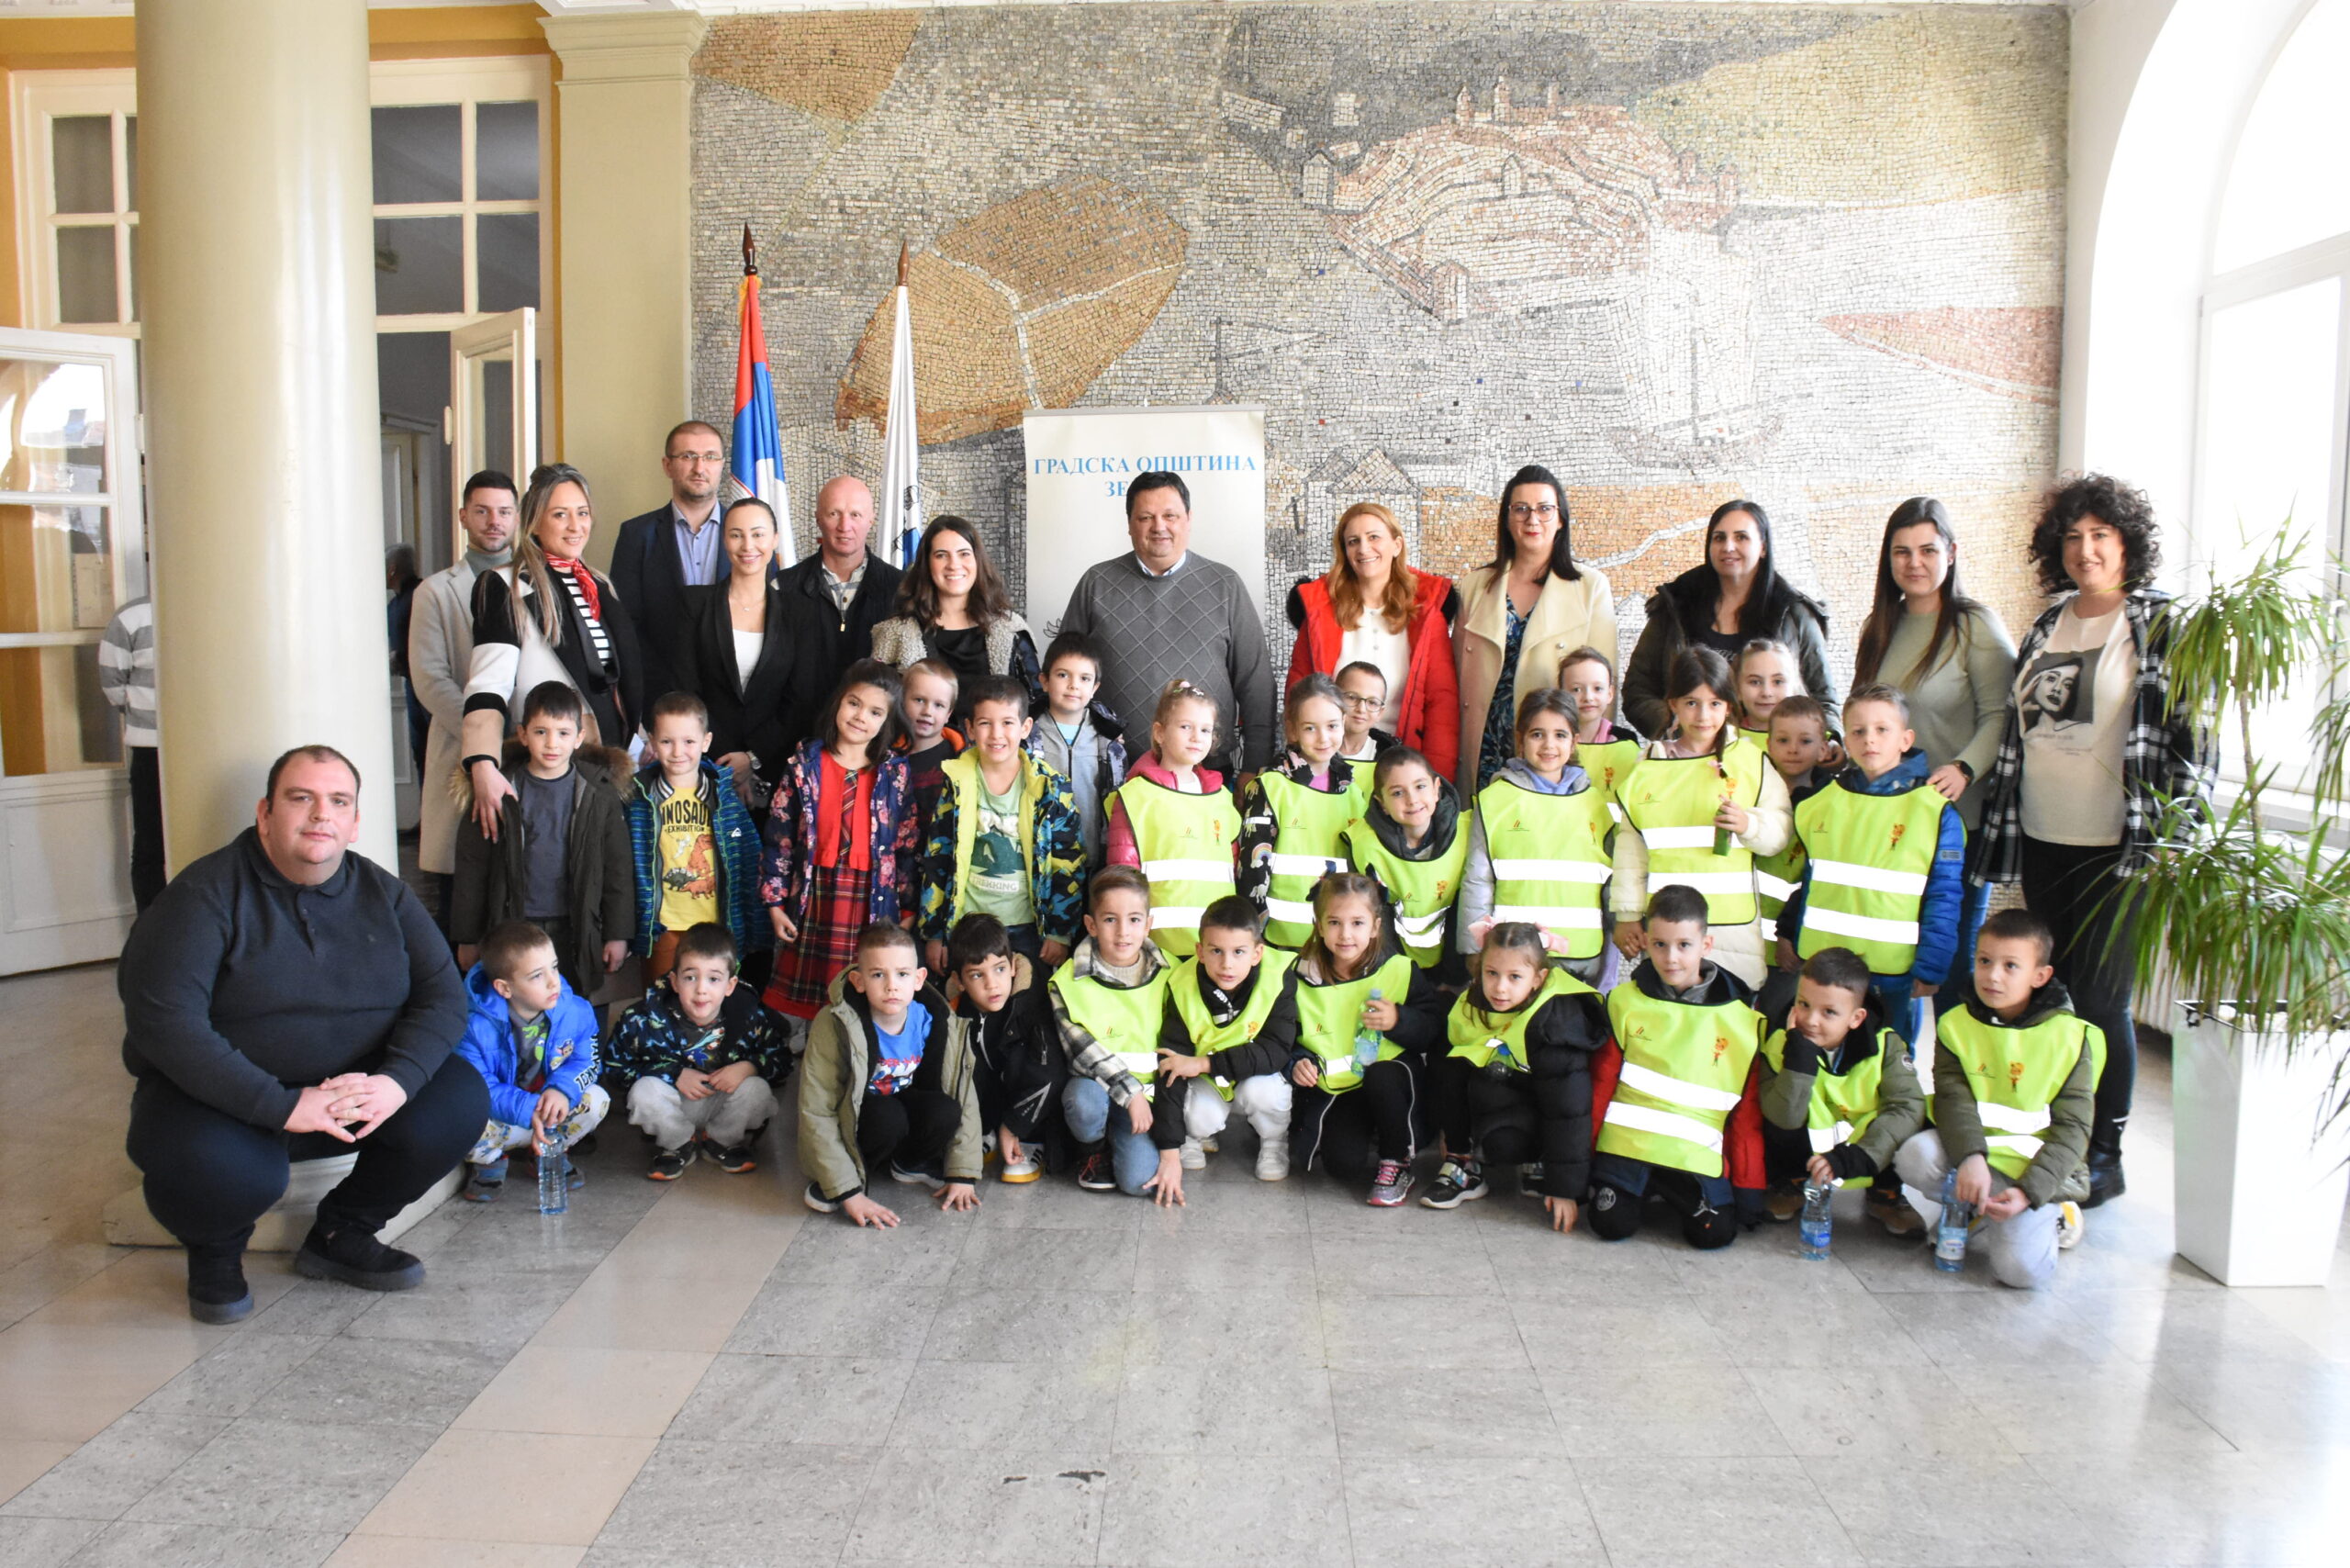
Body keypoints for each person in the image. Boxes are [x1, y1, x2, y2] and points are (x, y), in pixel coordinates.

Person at [119, 746, 484, 1324]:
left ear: (355, 823)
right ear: (265, 813)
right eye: (301, 798)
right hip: (219, 1104)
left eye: (338, 802)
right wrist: (283, 1105)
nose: (321, 815)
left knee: (458, 1098)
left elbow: (442, 997)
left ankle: (342, 1233)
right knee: (233, 1172)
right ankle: (215, 1254)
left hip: (347, 1097)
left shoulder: (385, 894)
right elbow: (167, 1025)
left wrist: (394, 1082)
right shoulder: (201, 896)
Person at [1968, 475, 2210, 1208]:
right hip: (2045, 834)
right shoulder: (2049, 622)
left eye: (2101, 535)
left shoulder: (2161, 624)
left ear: (2127, 542)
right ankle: (2062, 1141)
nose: (2086, 550)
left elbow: (2193, 740)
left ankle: (2106, 1153)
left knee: (2103, 1003)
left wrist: (2175, 837)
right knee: (2058, 994)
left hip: (2120, 846)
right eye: (2073, 537)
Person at [1851, 497, 2020, 986]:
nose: (1914, 563)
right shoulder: (1881, 627)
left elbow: (2003, 715)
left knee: (1950, 962)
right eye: (1901, 552)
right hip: (1891, 821)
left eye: (1927, 550)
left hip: (1956, 823)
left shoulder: (1975, 625)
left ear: (1951, 552)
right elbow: (1869, 712)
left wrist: (1965, 768)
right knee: (1893, 957)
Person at [1895, 910, 2098, 1287]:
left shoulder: (2072, 1037)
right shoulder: (1956, 1023)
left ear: (2040, 976)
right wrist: (1969, 1158)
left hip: (2033, 1168)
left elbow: (2074, 1128)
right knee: (1914, 1157)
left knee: (2020, 1274)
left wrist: (2029, 1192)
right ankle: (1977, 1208)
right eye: (1984, 961)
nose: (1992, 976)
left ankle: (2060, 1212)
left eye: (2010, 966)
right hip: (1980, 1154)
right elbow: (1953, 1100)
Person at [462, 464, 643, 835]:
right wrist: (482, 762)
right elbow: (488, 685)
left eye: (583, 513)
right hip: (549, 768)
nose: (576, 526)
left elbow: (616, 681)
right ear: (533, 522)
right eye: (560, 514)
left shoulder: (599, 584)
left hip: (609, 767)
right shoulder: (506, 585)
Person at [1778, 685, 1964, 1047]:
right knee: (1816, 1057)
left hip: (1893, 975)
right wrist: (1788, 932)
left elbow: (1944, 897)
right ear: (1845, 739)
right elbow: (1811, 880)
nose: (1870, 740)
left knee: (1888, 1061)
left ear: (1906, 739)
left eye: (1882, 729)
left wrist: (1931, 967)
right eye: (1859, 731)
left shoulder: (1935, 811)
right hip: (1823, 969)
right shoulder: (1821, 802)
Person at [1058, 471, 1277, 777]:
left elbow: (1257, 684)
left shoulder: (1225, 585)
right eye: (1145, 517)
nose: (1159, 526)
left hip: (1208, 775)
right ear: (1129, 524)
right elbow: (1060, 679)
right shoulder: (1096, 584)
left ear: (1188, 519)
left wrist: (1254, 767)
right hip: (1112, 772)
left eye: (1170, 516)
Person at [1587, 886, 1767, 1248]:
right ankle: (1644, 1187)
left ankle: (1664, 1188)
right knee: (1610, 1225)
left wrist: (1749, 1192)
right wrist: (1580, 1165)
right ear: (1646, 942)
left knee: (1715, 1235)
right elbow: (1600, 1086)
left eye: (1684, 945)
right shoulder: (1623, 1002)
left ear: (1706, 945)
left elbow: (1746, 1115)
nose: (1671, 958)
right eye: (1660, 944)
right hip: (1628, 1148)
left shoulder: (1743, 1022)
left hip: (1694, 1156)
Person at [1609, 647, 1794, 991]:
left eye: (1715, 703)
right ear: (1673, 704)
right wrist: (1627, 915)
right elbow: (1630, 850)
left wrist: (1749, 825)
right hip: (1667, 929)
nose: (1703, 715)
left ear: (1729, 705)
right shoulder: (1649, 765)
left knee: (1731, 1014)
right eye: (1692, 703)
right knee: (1669, 1011)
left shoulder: (1751, 760)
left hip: (1732, 929)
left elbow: (1781, 832)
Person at [450, 681, 634, 1002]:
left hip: (577, 923)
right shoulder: (497, 790)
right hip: (514, 923)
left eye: (563, 733)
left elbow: (617, 870)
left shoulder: (599, 793)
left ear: (579, 737)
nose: (552, 743)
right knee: (515, 1003)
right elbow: (472, 868)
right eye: (541, 732)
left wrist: (618, 934)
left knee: (575, 1003)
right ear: (522, 734)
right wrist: (467, 937)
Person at [760, 661, 921, 1024]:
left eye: (875, 712)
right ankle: (813, 1045)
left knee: (862, 997)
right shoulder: (805, 764)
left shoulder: (894, 772)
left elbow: (906, 845)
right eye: (854, 703)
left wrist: (908, 910)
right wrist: (775, 902)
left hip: (871, 901)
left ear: (887, 721)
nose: (861, 716)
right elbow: (779, 837)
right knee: (812, 1003)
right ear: (838, 702)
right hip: (814, 895)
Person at [798, 922, 983, 1226]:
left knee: (945, 1109)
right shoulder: (834, 1023)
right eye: (877, 975)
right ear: (858, 981)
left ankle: (908, 1162)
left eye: (902, 974)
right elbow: (817, 1108)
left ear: (919, 979)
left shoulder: (935, 1018)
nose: (891, 986)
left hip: (902, 1102)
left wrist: (962, 1172)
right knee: (888, 1117)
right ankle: (842, 1177)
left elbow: (961, 1089)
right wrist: (846, 1192)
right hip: (861, 1118)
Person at [1422, 921, 1605, 1225]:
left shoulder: (1555, 1021)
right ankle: (1463, 1164)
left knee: (1504, 1146)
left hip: (1538, 1111)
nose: (1500, 987)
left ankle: (1538, 1160)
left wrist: (1564, 1188)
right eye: (1492, 973)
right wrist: (1450, 1134)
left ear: (1538, 978)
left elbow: (1568, 1110)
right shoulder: (1469, 1004)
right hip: (1498, 1096)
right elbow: (1445, 1076)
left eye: (1515, 977)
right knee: (1449, 1064)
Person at [1454, 464, 1617, 797]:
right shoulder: (1475, 586)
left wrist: (1591, 759)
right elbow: (1455, 676)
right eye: (1521, 509)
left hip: (1551, 750)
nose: (1532, 520)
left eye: (1544, 509)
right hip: (1483, 743)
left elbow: (1602, 688)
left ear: (1561, 518)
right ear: (1506, 518)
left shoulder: (1590, 587)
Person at [1285, 872, 1446, 1205]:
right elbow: (1284, 1036)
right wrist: (1296, 1062)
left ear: (1375, 926)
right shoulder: (1298, 976)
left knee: (1382, 1075)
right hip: (1340, 1089)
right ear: (1318, 925)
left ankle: (1396, 1159)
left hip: (1390, 1080)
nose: (1345, 934)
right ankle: (1373, 1129)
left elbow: (1433, 1030)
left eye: (1357, 923)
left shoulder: (1400, 969)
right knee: (1342, 1166)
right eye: (1334, 923)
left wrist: (1399, 1020)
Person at [1623, 498, 1836, 739]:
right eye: (1719, 538)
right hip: (1691, 754)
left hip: (1775, 754)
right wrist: (1674, 723)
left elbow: (1824, 698)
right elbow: (1637, 689)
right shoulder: (1675, 605)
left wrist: (1830, 743)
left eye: (1741, 537)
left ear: (1763, 547)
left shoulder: (1795, 614)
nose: (1728, 547)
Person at [918, 674, 1084, 974]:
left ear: (1025, 727)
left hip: (1028, 928)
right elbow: (937, 857)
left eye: (1007, 723)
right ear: (969, 728)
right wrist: (934, 933)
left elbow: (1067, 861)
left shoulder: (1051, 787)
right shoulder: (957, 782)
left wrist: (1060, 932)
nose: (996, 734)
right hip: (968, 924)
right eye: (985, 723)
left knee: (1025, 997)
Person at [1284, 500, 1461, 781]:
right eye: (1353, 541)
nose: (1363, 549)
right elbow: (1299, 696)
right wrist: (1302, 767)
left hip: (1404, 767)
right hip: (1330, 764)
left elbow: (1442, 704)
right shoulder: (1319, 612)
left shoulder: (1427, 613)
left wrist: (1436, 779)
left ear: (1396, 545)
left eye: (1374, 537)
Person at [1756, 945, 1925, 1235]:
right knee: (1774, 1108)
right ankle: (1793, 1183)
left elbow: (1908, 1108)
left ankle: (1885, 1194)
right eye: (1803, 1004)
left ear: (1856, 1018)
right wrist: (1799, 1058)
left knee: (1912, 1123)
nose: (1811, 1020)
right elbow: (1783, 1118)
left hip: (1865, 1153)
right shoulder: (1780, 1042)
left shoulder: (1887, 1046)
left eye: (1829, 1012)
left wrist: (1855, 1157)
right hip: (1805, 1149)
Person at [409, 470, 518, 918]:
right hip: (460, 751)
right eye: (482, 511)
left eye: (504, 511)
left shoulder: (535, 583)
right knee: (463, 900)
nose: (494, 521)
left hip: (535, 748)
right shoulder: (435, 591)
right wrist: (487, 736)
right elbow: (431, 681)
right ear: (463, 516)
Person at [605, 921, 789, 1180]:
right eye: (690, 977)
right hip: (672, 1105)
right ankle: (678, 1144)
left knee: (757, 1089)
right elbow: (614, 1068)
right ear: (674, 981)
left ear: (730, 985)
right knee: (644, 1091)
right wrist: (673, 1073)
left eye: (714, 979)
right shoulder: (641, 1018)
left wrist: (749, 1067)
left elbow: (782, 1061)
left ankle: (722, 1142)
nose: (701, 989)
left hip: (723, 1104)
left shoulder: (750, 1015)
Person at [1458, 689, 1613, 982]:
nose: (1549, 745)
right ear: (1521, 740)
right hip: (1511, 959)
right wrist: (1473, 948)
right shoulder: (1495, 800)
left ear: (1575, 741)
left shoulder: (1596, 804)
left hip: (1582, 958)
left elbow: (1610, 885)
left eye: (1560, 735)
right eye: (1537, 734)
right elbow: (1477, 879)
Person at [453, 920, 610, 1203]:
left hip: (550, 1110)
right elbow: (476, 1085)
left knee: (596, 1101)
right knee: (460, 1113)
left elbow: (589, 1061)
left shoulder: (575, 1011)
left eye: (554, 967)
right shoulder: (472, 1026)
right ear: (505, 988)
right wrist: (527, 1109)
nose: (553, 981)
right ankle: (490, 1160)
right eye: (537, 975)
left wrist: (562, 1090)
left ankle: (547, 1151)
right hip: (502, 1115)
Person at [1157, 895, 1301, 1186]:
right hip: (1208, 1082)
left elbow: (1275, 1051)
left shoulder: (1278, 975)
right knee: (1198, 1113)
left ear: (1257, 953)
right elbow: (1171, 1065)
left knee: (1266, 1093)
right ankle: (1195, 1136)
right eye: (1216, 951)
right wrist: (1170, 1148)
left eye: (1238, 952)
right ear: (1200, 951)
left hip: (1253, 1076)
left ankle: (1273, 1143)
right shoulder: (1180, 983)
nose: (1227, 964)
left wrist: (1205, 1063)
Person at [625, 691, 767, 984]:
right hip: (662, 927)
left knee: (712, 1000)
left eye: (689, 741)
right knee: (660, 1000)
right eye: (667, 741)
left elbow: (747, 858)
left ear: (706, 741)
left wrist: (756, 926)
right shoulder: (640, 799)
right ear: (652, 741)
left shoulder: (724, 797)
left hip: (716, 927)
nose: (678, 751)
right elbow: (625, 865)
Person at [1054, 866, 1178, 1198]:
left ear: (1148, 924)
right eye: (1110, 919)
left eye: (1134, 919)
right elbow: (1082, 1052)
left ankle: (1119, 1138)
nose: (1123, 932)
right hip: (1097, 1090)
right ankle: (1092, 1148)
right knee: (1083, 1103)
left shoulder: (1173, 973)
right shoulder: (1067, 981)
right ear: (1091, 925)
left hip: (1147, 1099)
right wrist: (1131, 1093)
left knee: (1138, 1184)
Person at [1105, 678, 1243, 959]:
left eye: (1205, 730)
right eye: (1185, 727)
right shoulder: (1135, 796)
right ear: (1159, 733)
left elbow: (1232, 867)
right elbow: (1122, 877)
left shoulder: (1222, 799)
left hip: (1216, 950)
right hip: (1157, 947)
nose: (1196, 737)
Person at [683, 498, 800, 812]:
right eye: (736, 535)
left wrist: (751, 758)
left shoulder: (798, 613)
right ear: (724, 541)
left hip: (774, 773)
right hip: (703, 767)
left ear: (775, 539)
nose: (748, 545)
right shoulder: (694, 605)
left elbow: (799, 698)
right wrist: (725, 758)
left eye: (758, 534)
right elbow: (687, 689)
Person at [610, 420, 733, 711]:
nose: (699, 467)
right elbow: (626, 625)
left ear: (722, 465)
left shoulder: (749, 536)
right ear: (667, 465)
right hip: (660, 699)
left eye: (710, 457)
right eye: (688, 456)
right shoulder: (636, 535)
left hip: (733, 697)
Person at [776, 475, 904, 754]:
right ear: (818, 518)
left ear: (871, 519)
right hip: (795, 747)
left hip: (875, 751)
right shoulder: (783, 588)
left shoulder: (902, 589)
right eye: (834, 513)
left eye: (855, 514)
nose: (845, 526)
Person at [870, 514, 1041, 721]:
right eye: (941, 555)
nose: (954, 564)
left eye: (964, 554)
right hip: (918, 742)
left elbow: (1035, 706)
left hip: (995, 742)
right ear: (927, 563)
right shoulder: (895, 633)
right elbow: (878, 709)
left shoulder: (1011, 629)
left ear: (977, 560)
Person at [1237, 674, 1364, 948]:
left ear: (1344, 723)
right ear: (1292, 730)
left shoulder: (1355, 794)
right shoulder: (1269, 787)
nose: (1323, 738)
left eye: (1332, 726)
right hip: (1276, 943)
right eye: (1310, 728)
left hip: (1336, 945)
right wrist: (1252, 939)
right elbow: (1252, 873)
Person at [946, 913, 1065, 1183]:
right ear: (959, 980)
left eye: (999, 969)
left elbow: (1052, 1075)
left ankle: (1029, 1140)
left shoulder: (1033, 999)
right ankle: (985, 1130)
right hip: (992, 1105)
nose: (992, 984)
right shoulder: (955, 1009)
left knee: (1023, 1058)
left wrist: (1013, 1126)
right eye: (977, 975)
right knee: (962, 1057)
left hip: (1034, 1112)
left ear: (1013, 966)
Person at [1341, 745, 1471, 981]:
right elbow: (1377, 920)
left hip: (1454, 968)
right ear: (1382, 803)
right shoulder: (1365, 845)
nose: (1412, 800)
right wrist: (1399, 977)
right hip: (1395, 970)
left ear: (1436, 790)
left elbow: (1466, 909)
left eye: (1420, 787)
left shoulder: (1466, 832)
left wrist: (1455, 978)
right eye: (1398, 793)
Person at [1754, 692, 1832, 1015]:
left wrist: (1791, 934)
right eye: (1783, 740)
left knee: (1780, 1021)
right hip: (1743, 938)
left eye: (1805, 740)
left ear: (1824, 748)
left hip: (1791, 948)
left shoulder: (1828, 805)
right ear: (1769, 744)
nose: (1793, 749)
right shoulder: (1751, 792)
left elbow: (1819, 879)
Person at [1025, 631, 1128, 870]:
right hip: (1040, 859)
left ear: (1095, 687)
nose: (1073, 685)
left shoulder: (1107, 738)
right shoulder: (1027, 734)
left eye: (1084, 678)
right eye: (1063, 675)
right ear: (1044, 681)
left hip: (1092, 857)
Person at [97, 591, 163, 911]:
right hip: (150, 747)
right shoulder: (132, 616)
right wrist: (145, 713)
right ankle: (151, 931)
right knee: (151, 844)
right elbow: (113, 683)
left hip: (209, 745)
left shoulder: (217, 606)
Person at [1556, 645, 1642, 815]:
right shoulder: (1552, 743)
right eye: (1576, 689)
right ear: (1561, 694)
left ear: (1610, 693)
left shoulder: (1625, 742)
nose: (1588, 697)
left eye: (1598, 689)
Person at [386, 544, 429, 777]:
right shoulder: (394, 604)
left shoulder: (423, 594)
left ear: (392, 570)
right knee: (420, 750)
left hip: (430, 684)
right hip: (411, 683)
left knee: (432, 749)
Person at [897, 658, 964, 805]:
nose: (927, 712)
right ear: (902, 701)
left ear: (948, 714)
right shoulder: (885, 754)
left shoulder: (961, 758)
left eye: (938, 705)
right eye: (919, 700)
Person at [1731, 637, 1806, 744]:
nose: (1766, 693)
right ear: (1738, 688)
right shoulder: (1724, 741)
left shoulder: (1816, 742)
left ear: (1794, 687)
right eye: (1755, 682)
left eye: (1778, 682)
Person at [1334, 661, 1393, 765]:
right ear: (1334, 698)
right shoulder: (1309, 749)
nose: (1361, 709)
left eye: (1372, 702)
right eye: (1352, 697)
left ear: (1380, 713)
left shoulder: (1390, 759)